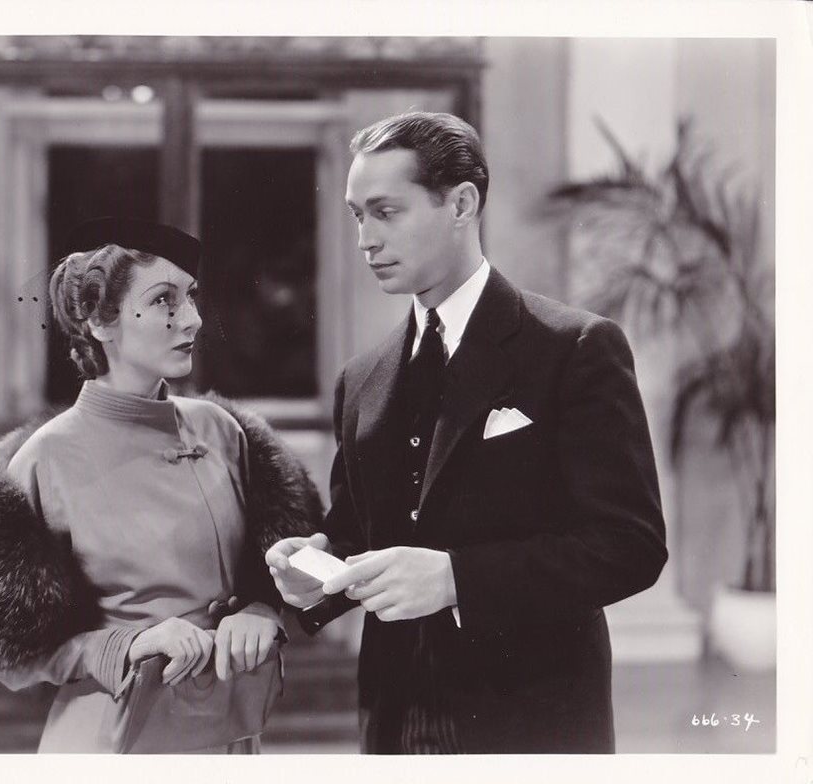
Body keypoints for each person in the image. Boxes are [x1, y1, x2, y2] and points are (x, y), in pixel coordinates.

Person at [265, 112, 668, 753]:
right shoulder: (361, 377)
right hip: (394, 724)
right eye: (356, 216)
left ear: (461, 203)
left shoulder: (574, 348)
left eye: (386, 212)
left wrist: (458, 578)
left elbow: (631, 545)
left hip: (532, 725)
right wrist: (313, 574)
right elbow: (358, 537)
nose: (365, 239)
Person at [0, 218, 321, 753]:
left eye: (192, 298)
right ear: (100, 323)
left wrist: (261, 608)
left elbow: (275, 569)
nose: (193, 320)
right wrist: (126, 644)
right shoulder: (46, 458)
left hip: (230, 737)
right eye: (164, 301)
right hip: (112, 740)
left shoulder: (223, 432)